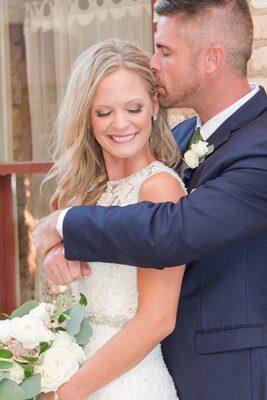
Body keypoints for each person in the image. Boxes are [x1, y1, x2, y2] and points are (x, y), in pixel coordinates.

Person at [34, 1, 267, 399]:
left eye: (165, 50)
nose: (153, 63)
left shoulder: (261, 148)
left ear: (212, 58)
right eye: (103, 112)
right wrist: (64, 246)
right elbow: (127, 221)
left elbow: (173, 230)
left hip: (227, 376)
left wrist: (64, 225)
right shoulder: (179, 141)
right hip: (150, 369)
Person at [39, 39, 186, 400]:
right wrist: (52, 253)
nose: (120, 124)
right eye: (103, 113)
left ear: (154, 105)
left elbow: (157, 320)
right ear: (86, 117)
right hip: (78, 370)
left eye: (133, 108)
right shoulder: (86, 191)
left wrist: (66, 395)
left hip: (130, 383)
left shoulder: (160, 189)